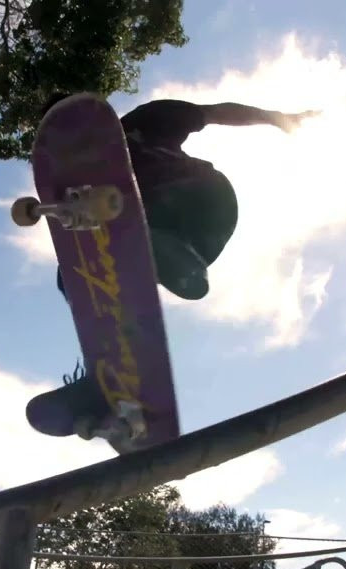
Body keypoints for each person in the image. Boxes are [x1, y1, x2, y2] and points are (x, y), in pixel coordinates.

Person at [30, 94, 316, 440]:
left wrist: (276, 116)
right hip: (148, 240)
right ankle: (104, 376)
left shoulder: (147, 120)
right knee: (71, 275)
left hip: (204, 204)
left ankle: (178, 256)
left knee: (138, 210)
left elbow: (216, 112)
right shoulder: (68, 188)